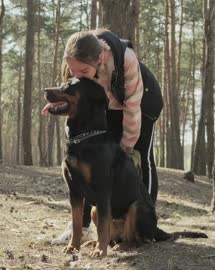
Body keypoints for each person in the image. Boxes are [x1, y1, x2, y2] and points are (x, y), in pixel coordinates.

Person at [51, 29, 163, 245]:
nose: (77, 75)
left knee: (140, 157)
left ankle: (146, 223)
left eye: (83, 70)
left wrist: (126, 148)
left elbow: (132, 108)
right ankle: (81, 228)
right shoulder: (77, 60)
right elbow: (75, 102)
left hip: (142, 101)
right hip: (110, 105)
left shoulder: (126, 60)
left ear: (100, 58)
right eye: (72, 70)